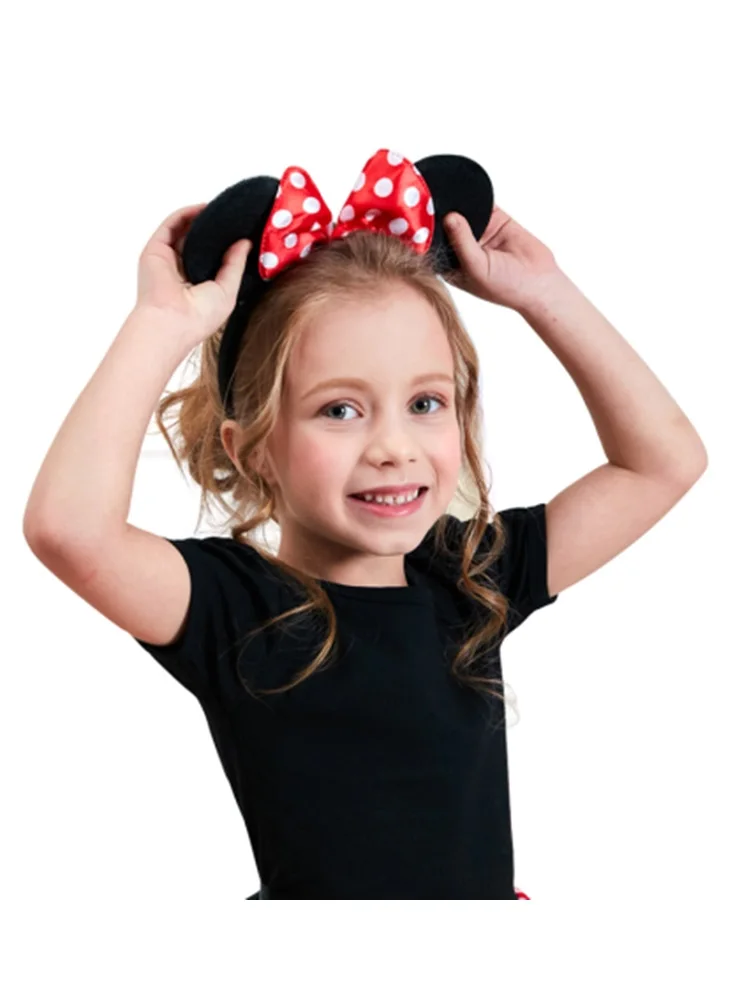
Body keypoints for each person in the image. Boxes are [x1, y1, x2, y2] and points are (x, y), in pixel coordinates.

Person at [23, 149, 707, 900]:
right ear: (254, 449)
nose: (393, 448)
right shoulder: (235, 608)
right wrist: (161, 323)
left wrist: (546, 294)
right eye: (340, 409)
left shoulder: (471, 578)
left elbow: (663, 463)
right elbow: (70, 530)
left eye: (425, 403)